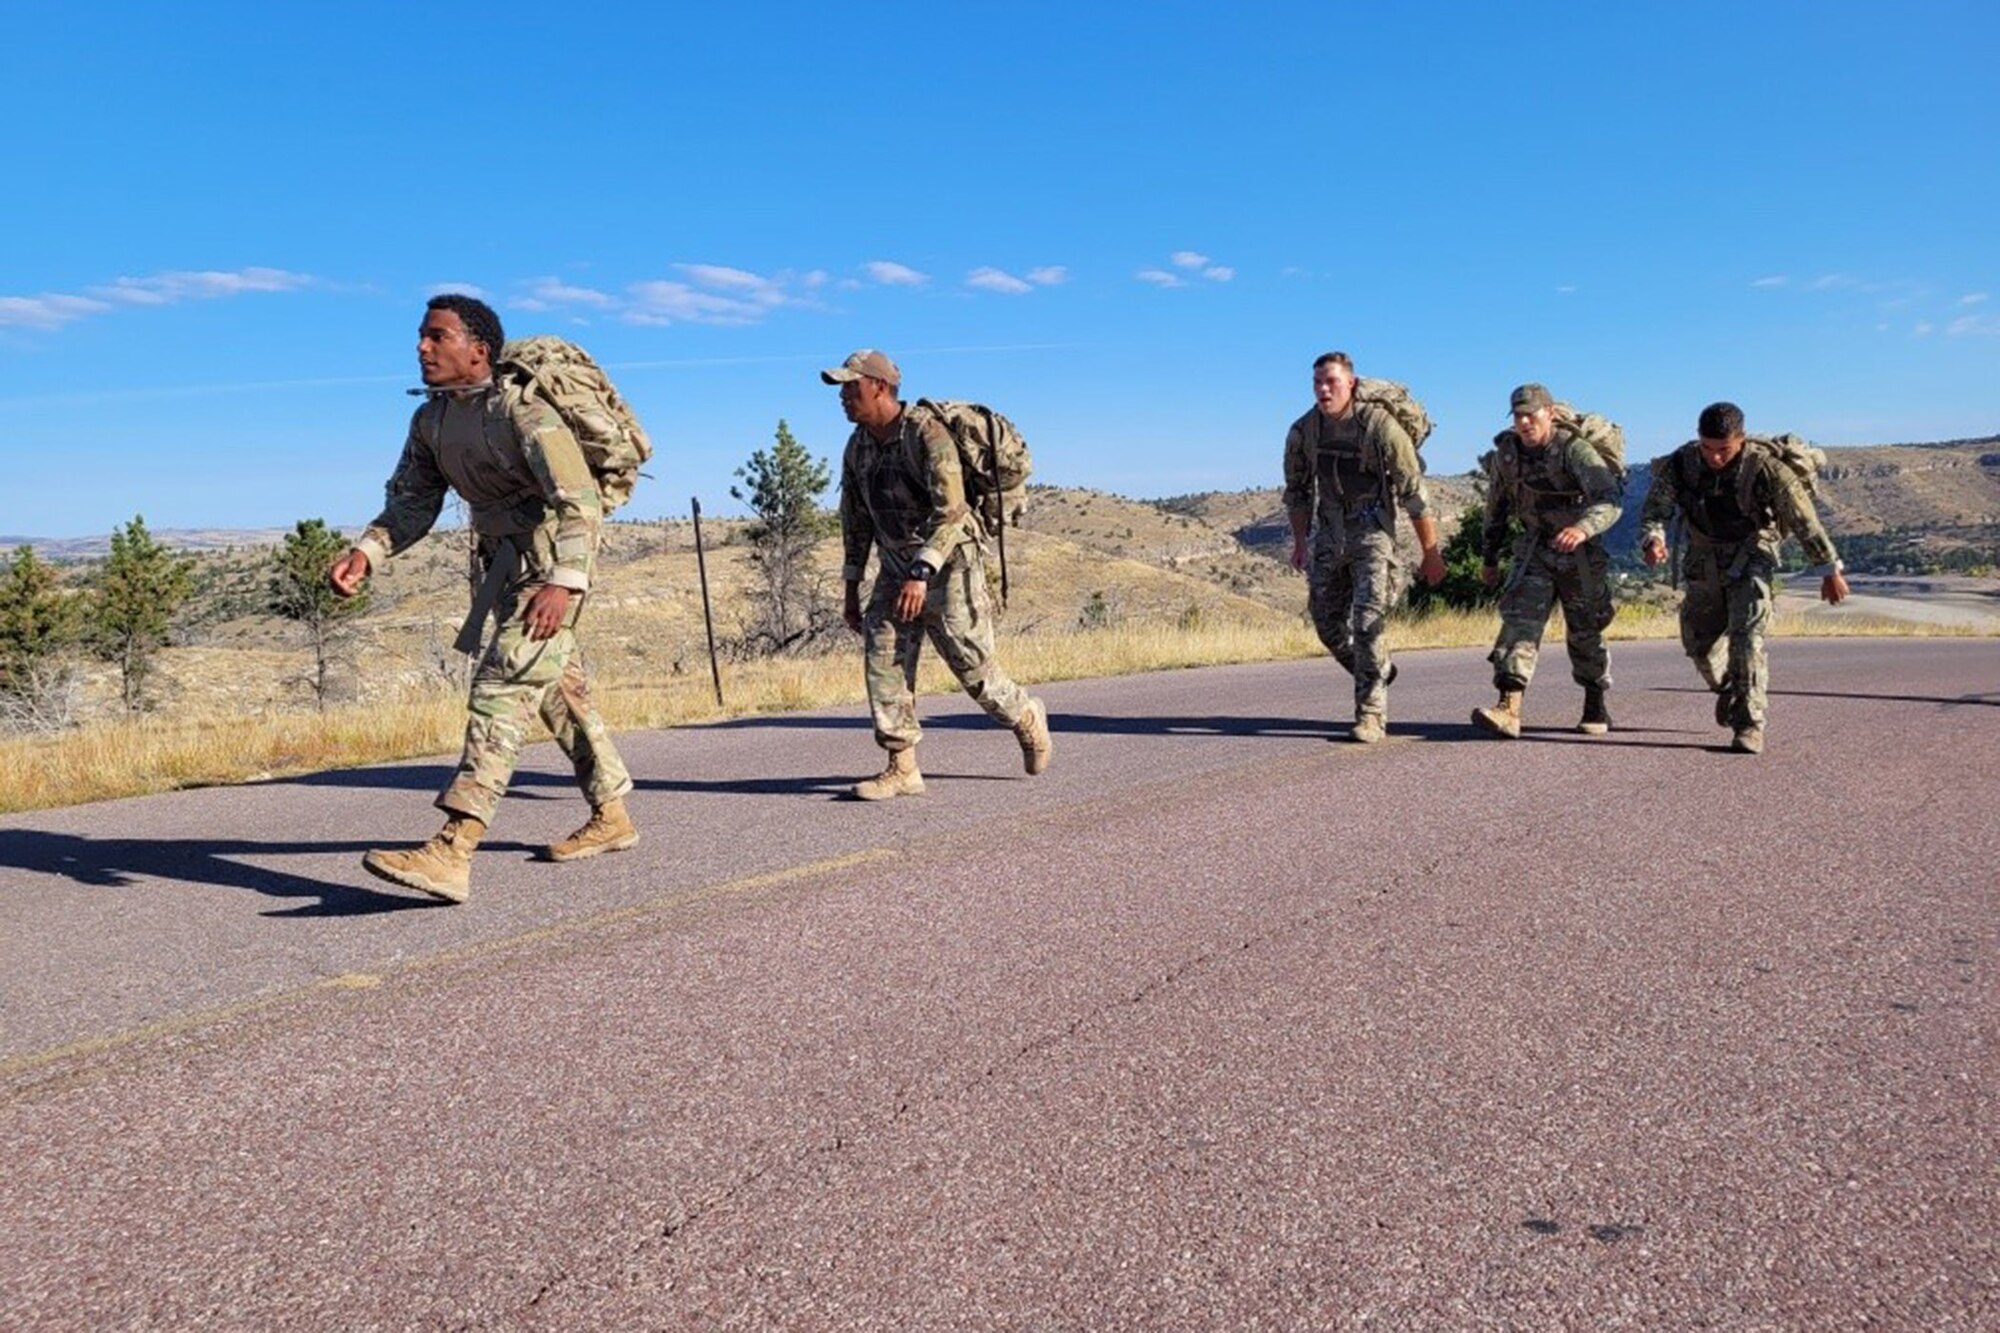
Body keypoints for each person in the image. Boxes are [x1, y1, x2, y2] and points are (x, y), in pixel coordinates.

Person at [328, 294, 637, 903]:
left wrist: (563, 583)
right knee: (555, 692)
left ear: (478, 351)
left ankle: (453, 848)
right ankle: (613, 816)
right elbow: (412, 504)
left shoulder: (526, 413)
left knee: (502, 685)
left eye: (437, 337)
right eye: (421, 336)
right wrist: (368, 552)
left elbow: (580, 503)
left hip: (553, 568)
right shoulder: (432, 421)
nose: (422, 348)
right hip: (500, 566)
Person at [825, 348, 1051, 798]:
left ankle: (1024, 715)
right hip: (894, 568)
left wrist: (921, 573)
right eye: (842, 388)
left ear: (880, 387)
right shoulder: (858, 446)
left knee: (973, 671)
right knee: (883, 660)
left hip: (949, 566)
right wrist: (852, 587)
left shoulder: (926, 434)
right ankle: (902, 766)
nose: (844, 396)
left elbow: (952, 513)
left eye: (852, 386)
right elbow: (856, 521)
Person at [1637, 401, 1849, 754]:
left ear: (1741, 440)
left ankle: (1750, 725)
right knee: (1698, 645)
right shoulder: (1682, 464)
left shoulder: (1765, 468)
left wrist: (1829, 570)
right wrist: (1653, 538)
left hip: (1752, 554)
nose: (1714, 458)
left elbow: (1803, 520)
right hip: (1703, 558)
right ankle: (1729, 689)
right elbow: (1654, 510)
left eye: (1723, 450)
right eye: (1707, 448)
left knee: (1747, 637)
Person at [1281, 351, 1446, 742]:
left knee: (1368, 621)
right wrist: (1301, 542)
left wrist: (1431, 553)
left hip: (1372, 531)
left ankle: (1371, 714)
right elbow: (1298, 491)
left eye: (1331, 382)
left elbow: (1414, 495)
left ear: (1350, 384)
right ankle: (1376, 670)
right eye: (1317, 383)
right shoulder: (1304, 432)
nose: (1323, 390)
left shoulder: (1380, 427)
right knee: (1326, 624)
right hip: (1329, 533)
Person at [1471, 384, 1624, 738]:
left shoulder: (1575, 450)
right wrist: (1489, 557)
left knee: (1585, 632)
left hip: (1580, 555)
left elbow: (1610, 499)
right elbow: (1495, 509)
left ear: (1550, 413)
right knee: (1519, 623)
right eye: (1518, 416)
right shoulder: (1508, 456)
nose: (1525, 422)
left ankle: (1595, 703)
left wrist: (1583, 528)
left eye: (1532, 414)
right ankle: (1509, 706)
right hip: (1535, 548)